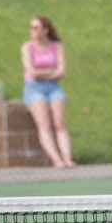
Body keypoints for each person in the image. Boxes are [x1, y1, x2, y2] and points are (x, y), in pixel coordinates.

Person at [20, 15, 76, 169]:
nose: (32, 31)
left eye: (36, 27)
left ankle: (67, 158)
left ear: (45, 30)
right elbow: (31, 71)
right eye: (31, 27)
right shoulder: (27, 47)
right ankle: (56, 159)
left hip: (53, 87)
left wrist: (44, 72)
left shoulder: (57, 46)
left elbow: (62, 71)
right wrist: (50, 71)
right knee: (45, 124)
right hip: (34, 88)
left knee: (59, 123)